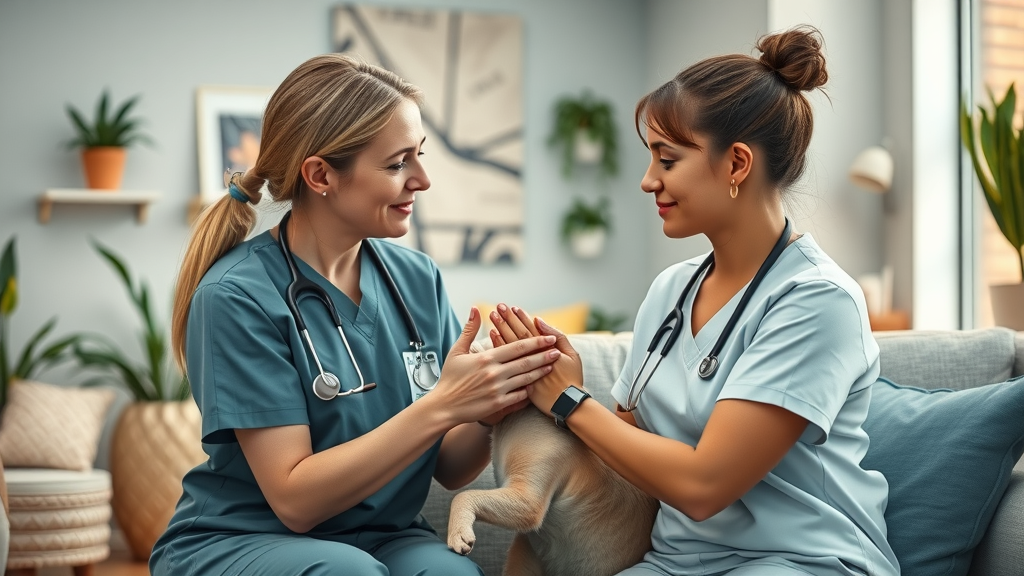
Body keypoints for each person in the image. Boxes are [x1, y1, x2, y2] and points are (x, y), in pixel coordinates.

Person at [488, 27, 901, 576]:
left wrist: (567, 401)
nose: (646, 181)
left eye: (666, 159)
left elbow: (705, 486)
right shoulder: (671, 290)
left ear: (736, 164)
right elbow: (632, 452)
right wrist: (565, 384)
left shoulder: (817, 301)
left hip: (802, 561)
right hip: (678, 564)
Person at [151, 54, 560, 576]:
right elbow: (295, 501)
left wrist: (493, 400)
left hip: (385, 537)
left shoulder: (416, 278)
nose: (423, 180)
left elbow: (451, 467)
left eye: (420, 155)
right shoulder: (237, 296)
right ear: (321, 174)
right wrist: (442, 404)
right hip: (247, 537)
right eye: (397, 163)